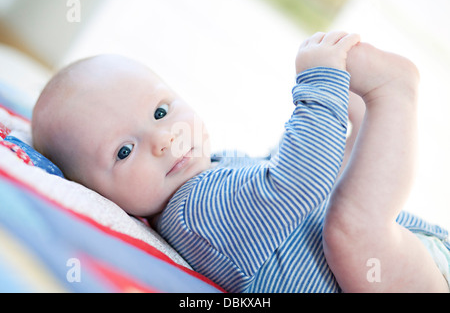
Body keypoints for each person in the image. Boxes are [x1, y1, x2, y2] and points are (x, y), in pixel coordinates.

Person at [32, 31, 449, 292]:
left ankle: (370, 109)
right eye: (124, 151)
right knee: (350, 229)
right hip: (394, 274)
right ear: (95, 192)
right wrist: (319, 85)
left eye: (161, 111)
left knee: (346, 216)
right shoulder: (195, 211)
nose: (163, 139)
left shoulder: (208, 172)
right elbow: (301, 182)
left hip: (395, 271)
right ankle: (394, 95)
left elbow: (281, 179)